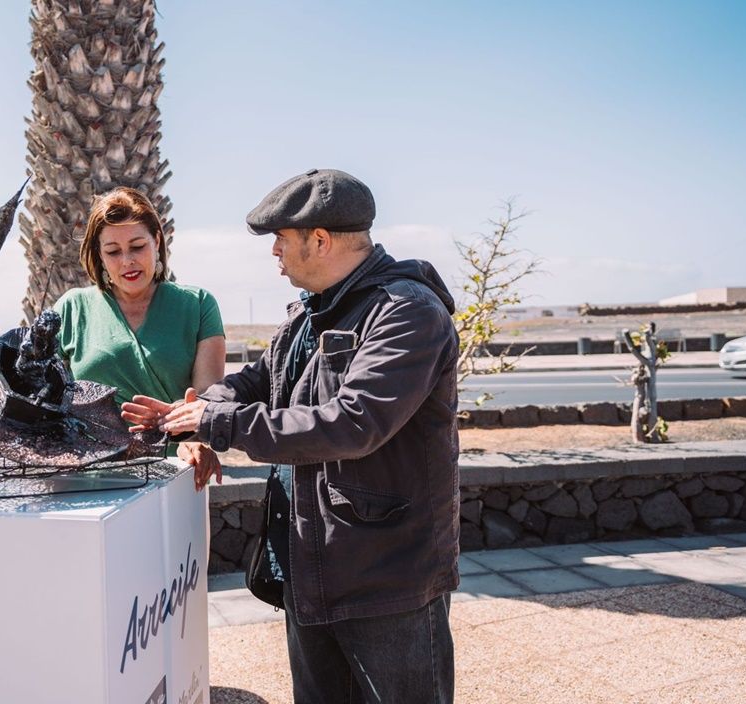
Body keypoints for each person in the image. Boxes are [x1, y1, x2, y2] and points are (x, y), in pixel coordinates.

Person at [123, 169, 460, 703]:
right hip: (312, 567)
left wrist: (216, 424)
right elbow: (255, 382)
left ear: (320, 240)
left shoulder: (407, 312)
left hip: (387, 581)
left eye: (281, 239)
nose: (274, 252)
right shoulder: (308, 313)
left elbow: (352, 423)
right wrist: (197, 409)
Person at [54, 186, 227, 490]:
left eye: (137, 247)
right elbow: (40, 397)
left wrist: (192, 440)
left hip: (175, 475)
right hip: (86, 482)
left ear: (157, 242)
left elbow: (206, 400)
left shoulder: (198, 305)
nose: (127, 261)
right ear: (99, 255)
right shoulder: (71, 308)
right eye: (113, 252)